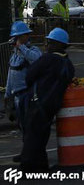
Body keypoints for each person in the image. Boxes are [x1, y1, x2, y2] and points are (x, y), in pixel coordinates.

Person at [20, 28, 74, 172]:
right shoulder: (67, 63)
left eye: (49, 42)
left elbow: (29, 76)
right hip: (53, 105)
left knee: (32, 136)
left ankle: (29, 167)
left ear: (56, 44)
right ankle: (41, 166)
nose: (47, 45)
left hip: (38, 102)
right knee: (42, 135)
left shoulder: (47, 59)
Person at [4, 21, 42, 162]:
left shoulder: (32, 50)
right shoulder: (14, 55)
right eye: (16, 37)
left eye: (19, 37)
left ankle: (34, 154)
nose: (16, 40)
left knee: (31, 126)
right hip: (17, 96)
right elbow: (11, 74)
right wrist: (8, 94)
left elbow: (37, 60)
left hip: (29, 94)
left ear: (26, 36)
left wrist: (22, 48)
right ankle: (26, 152)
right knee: (23, 126)